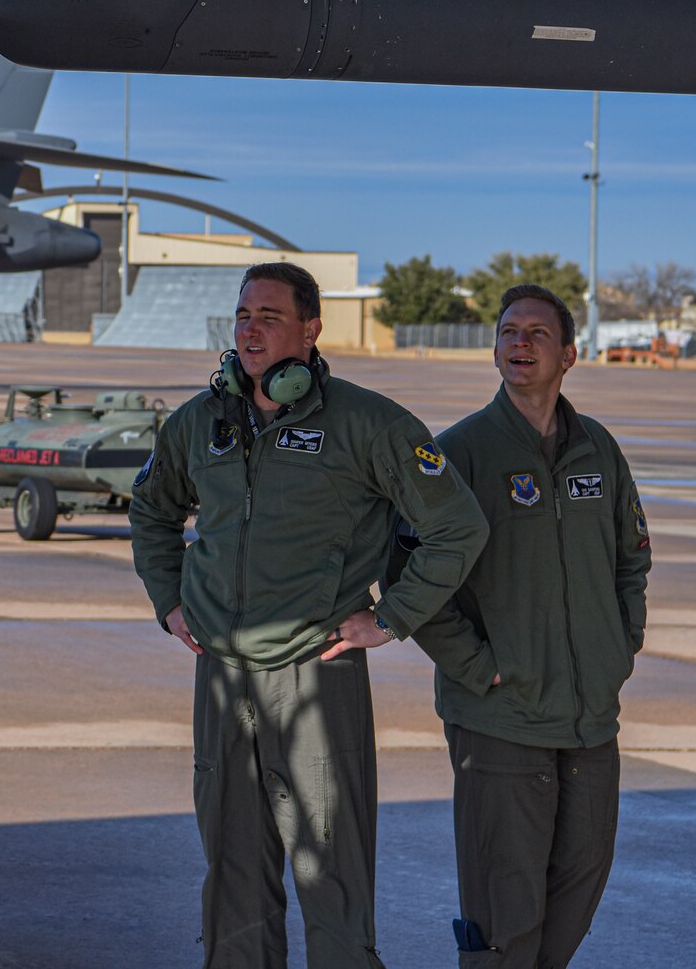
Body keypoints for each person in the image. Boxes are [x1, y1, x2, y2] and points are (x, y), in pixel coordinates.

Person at [129, 262, 490, 969]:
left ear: (311, 328)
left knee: (332, 874)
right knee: (231, 869)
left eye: (268, 315)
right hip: (223, 678)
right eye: (242, 315)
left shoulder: (366, 422)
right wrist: (168, 599)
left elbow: (458, 527)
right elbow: (152, 507)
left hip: (315, 673)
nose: (250, 328)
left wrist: (391, 620)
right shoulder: (200, 422)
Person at [393, 284, 651, 968]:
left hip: (590, 717)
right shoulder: (459, 454)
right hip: (499, 719)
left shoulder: (598, 449)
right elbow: (403, 568)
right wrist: (475, 666)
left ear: (569, 353)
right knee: (504, 909)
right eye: (509, 331)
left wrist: (618, 647)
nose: (520, 342)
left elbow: (632, 559)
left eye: (537, 332)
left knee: (579, 884)